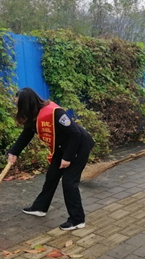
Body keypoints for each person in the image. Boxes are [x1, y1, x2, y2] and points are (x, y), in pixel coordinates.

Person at [7, 88, 95, 231]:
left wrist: (67, 158)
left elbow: (75, 134)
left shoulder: (55, 112)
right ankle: (40, 208)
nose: (17, 108)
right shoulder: (33, 116)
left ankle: (77, 219)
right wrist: (14, 152)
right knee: (51, 177)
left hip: (78, 147)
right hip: (61, 148)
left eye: (19, 105)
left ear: (27, 104)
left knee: (69, 183)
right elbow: (26, 135)